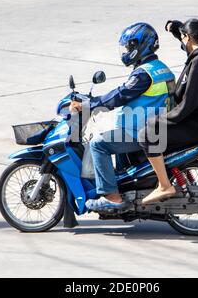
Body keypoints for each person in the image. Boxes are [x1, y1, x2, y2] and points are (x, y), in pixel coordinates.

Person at [69, 22, 175, 211]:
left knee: (98, 144)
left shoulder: (145, 74)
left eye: (130, 46)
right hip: (154, 128)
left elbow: (120, 95)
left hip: (141, 131)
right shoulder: (161, 68)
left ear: (141, 45)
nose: (127, 51)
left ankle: (112, 196)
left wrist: (89, 105)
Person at [139, 18, 198, 204]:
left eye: (183, 37)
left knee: (148, 133)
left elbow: (188, 104)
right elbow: (188, 47)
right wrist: (177, 30)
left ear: (188, 38)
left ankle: (164, 185)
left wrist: (160, 120)